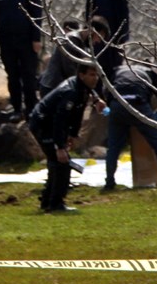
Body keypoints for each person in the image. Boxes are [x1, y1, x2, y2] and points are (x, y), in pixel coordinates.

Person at [28, 64, 106, 212]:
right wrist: (59, 147)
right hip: (44, 125)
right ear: (81, 75)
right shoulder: (70, 92)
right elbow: (59, 120)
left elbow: (81, 106)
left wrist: (96, 101)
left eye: (96, 75)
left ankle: (48, 201)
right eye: (91, 75)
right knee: (62, 163)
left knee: (57, 163)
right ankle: (56, 203)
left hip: (52, 125)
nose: (95, 78)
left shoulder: (81, 85)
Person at [103, 62, 157, 190]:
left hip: (118, 103)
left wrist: (110, 106)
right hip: (138, 103)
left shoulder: (117, 69)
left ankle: (109, 183)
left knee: (113, 147)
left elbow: (107, 90)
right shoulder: (149, 72)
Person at [38, 15, 114, 97]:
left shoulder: (85, 46)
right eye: (100, 36)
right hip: (53, 87)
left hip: (64, 88)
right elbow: (70, 69)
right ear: (92, 31)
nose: (98, 41)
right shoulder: (71, 40)